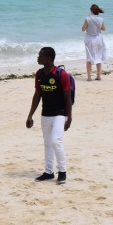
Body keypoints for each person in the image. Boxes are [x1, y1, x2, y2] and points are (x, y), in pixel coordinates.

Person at [26, 47, 73, 185]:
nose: (37, 57)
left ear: (48, 58)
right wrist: (30, 115)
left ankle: (62, 171)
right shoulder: (39, 74)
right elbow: (37, 95)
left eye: (40, 55)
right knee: (47, 143)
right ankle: (48, 172)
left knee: (55, 141)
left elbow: (68, 97)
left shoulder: (61, 74)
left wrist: (69, 118)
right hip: (45, 114)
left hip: (59, 114)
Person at [82, 4, 107, 81]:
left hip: (89, 39)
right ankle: (98, 76)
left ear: (91, 10)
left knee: (89, 58)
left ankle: (89, 77)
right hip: (99, 39)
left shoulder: (88, 18)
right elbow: (104, 29)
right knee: (98, 57)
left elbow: (83, 29)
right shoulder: (101, 19)